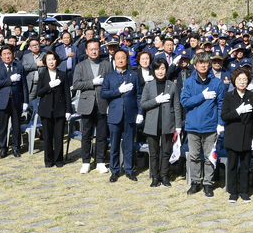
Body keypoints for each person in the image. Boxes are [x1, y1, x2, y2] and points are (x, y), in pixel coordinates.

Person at [180, 52, 226, 198]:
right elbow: (185, 102)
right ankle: (195, 182)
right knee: (193, 156)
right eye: (200, 63)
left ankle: (208, 183)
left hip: (210, 126)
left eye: (206, 62)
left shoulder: (217, 83)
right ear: (195, 65)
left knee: (209, 157)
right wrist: (201, 96)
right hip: (193, 125)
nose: (203, 65)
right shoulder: (188, 82)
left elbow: (221, 105)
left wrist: (220, 123)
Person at [100, 49, 143, 182]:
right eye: (118, 58)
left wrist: (140, 113)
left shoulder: (134, 75)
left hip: (130, 113)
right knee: (114, 144)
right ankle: (114, 170)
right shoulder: (109, 76)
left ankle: (129, 170)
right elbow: (103, 93)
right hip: (114, 114)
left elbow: (139, 95)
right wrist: (117, 91)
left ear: (126, 60)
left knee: (129, 144)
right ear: (114, 60)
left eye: (123, 58)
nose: (120, 60)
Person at [72, 39, 113, 174]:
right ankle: (85, 161)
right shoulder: (81, 66)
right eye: (91, 49)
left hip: (102, 103)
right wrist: (92, 82)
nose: (94, 51)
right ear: (86, 51)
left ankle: (100, 161)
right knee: (86, 135)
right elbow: (76, 84)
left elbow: (111, 84)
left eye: (96, 49)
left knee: (101, 135)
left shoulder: (106, 65)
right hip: (87, 104)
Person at [220, 67, 253, 203]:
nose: (242, 82)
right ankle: (232, 192)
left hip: (247, 137)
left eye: (244, 79)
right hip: (233, 136)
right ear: (234, 80)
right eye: (239, 79)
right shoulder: (228, 96)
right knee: (231, 166)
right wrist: (238, 111)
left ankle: (244, 191)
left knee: (245, 166)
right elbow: (224, 116)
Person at [140, 57, 181, 187]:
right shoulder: (148, 86)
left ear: (166, 69)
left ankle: (164, 175)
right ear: (154, 70)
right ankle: (155, 177)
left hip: (167, 123)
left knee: (166, 151)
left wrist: (178, 126)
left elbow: (177, 107)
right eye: (157, 69)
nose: (160, 71)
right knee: (154, 153)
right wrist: (156, 100)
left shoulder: (172, 85)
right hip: (152, 123)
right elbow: (143, 104)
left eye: (162, 68)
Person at [36, 51, 72, 168]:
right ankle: (48, 160)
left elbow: (67, 93)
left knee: (59, 136)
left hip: (59, 109)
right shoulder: (42, 74)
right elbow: (38, 93)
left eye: (53, 59)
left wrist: (68, 110)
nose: (51, 62)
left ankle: (59, 160)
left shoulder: (62, 74)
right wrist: (49, 86)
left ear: (57, 60)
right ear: (45, 62)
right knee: (47, 137)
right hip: (46, 109)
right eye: (49, 59)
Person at [0, 45, 29, 159]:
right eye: (4, 54)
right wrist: (10, 80)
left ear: (13, 54)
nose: (7, 56)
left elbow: (24, 85)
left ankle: (15, 147)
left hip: (16, 100)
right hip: (3, 100)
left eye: (9, 53)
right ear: (1, 55)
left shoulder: (19, 66)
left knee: (16, 126)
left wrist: (25, 101)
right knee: (2, 127)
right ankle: (3, 148)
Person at [22, 38, 45, 103]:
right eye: (33, 45)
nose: (35, 47)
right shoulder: (26, 56)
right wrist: (36, 65)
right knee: (29, 103)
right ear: (30, 47)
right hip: (31, 85)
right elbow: (24, 67)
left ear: (39, 45)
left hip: (42, 84)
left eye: (37, 44)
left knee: (41, 102)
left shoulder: (45, 55)